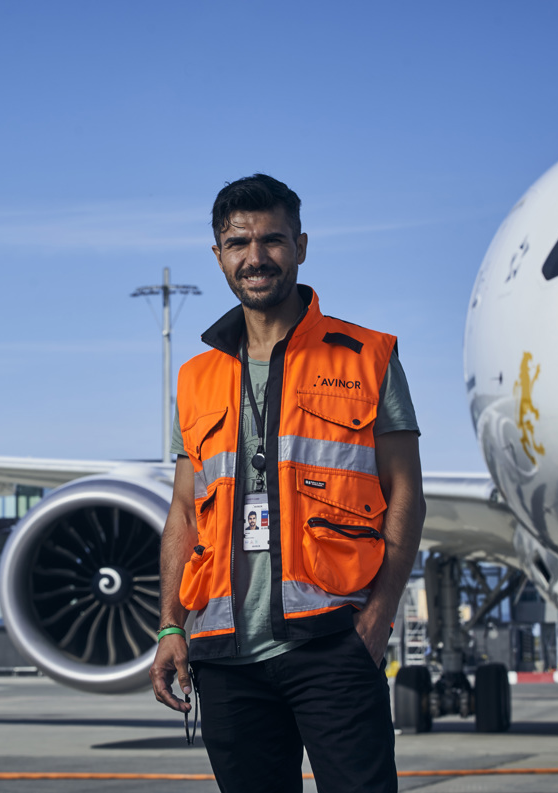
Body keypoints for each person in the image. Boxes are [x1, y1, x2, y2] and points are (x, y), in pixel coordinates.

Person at [149, 174, 425, 793]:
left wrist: (379, 616)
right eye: (238, 242)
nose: (256, 256)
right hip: (223, 652)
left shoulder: (367, 355)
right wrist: (170, 626)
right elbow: (182, 513)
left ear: (300, 246)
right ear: (218, 254)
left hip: (333, 637)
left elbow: (406, 492)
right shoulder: (195, 377)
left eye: (272, 240)